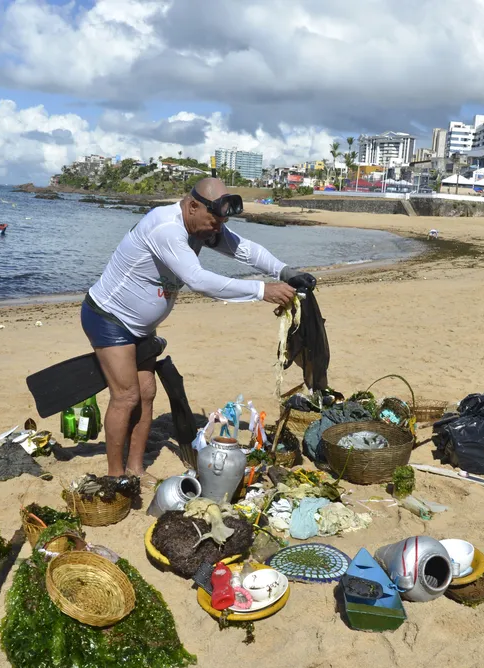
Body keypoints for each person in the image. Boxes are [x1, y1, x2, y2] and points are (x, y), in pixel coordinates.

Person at [81, 177, 316, 484]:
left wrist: (286, 272)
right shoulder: (166, 229)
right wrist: (262, 290)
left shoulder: (203, 225)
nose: (217, 228)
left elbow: (244, 250)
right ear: (192, 206)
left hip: (142, 327)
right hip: (109, 317)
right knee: (126, 397)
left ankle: (136, 468)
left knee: (147, 394)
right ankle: (115, 476)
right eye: (213, 220)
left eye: (221, 222)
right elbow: (198, 280)